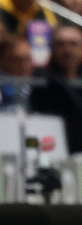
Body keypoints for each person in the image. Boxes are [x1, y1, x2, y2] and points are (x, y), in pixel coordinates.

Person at [30, 25, 82, 153]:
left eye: (73, 44)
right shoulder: (41, 81)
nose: (67, 50)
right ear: (52, 48)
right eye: (61, 44)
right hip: (54, 149)